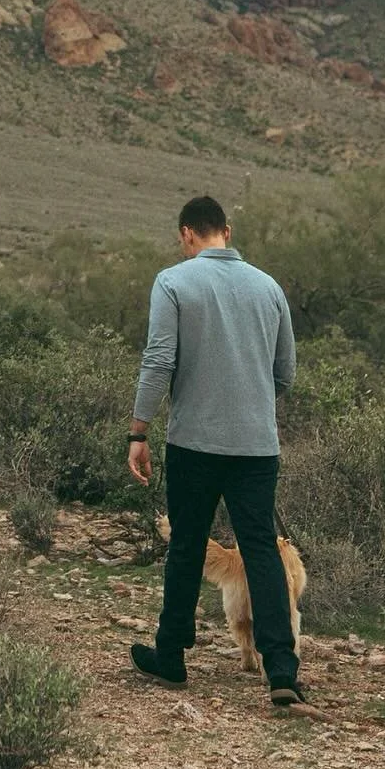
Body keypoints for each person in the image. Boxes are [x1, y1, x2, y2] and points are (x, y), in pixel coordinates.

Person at [127, 195, 306, 707]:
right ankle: (282, 671)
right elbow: (285, 371)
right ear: (226, 230)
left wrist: (139, 432)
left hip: (194, 443)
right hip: (256, 446)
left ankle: (172, 656)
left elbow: (159, 359)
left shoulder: (173, 282)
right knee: (261, 550)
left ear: (187, 234)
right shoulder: (269, 287)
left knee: (186, 545)